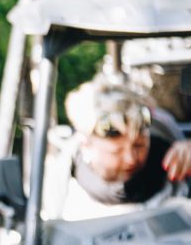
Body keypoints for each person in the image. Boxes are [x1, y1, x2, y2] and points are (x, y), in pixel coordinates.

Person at [42, 75, 191, 221]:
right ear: (86, 147)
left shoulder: (172, 153)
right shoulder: (60, 185)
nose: (131, 159)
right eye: (116, 151)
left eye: (139, 145)